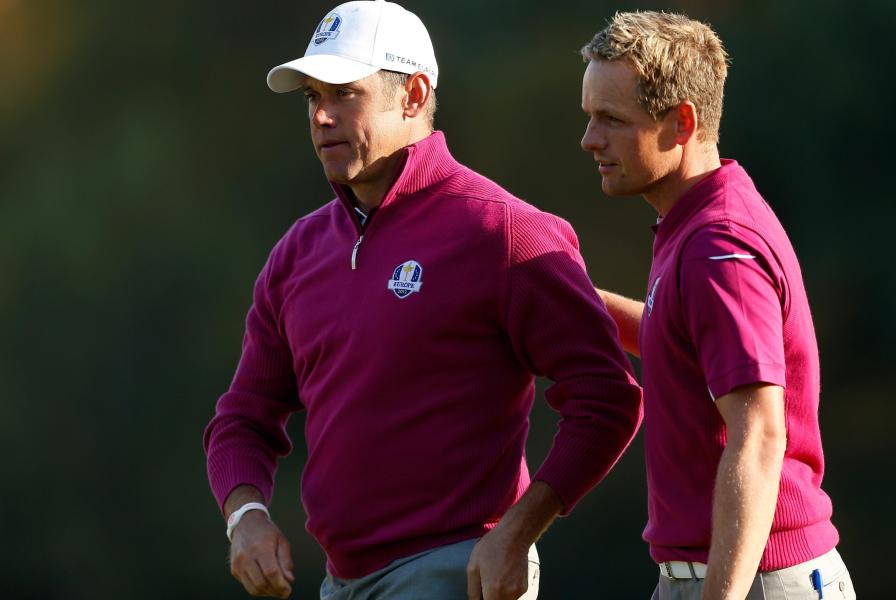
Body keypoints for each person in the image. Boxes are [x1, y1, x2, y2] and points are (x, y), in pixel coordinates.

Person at [203, 1, 643, 599]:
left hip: (457, 569)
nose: (323, 116)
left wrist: (519, 531)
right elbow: (242, 419)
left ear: (412, 94)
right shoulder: (298, 253)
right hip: (340, 581)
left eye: (344, 94)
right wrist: (245, 515)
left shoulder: (505, 231)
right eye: (312, 98)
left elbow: (606, 398)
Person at [578, 11, 855, 600]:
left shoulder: (717, 247)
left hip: (754, 579)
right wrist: (560, 294)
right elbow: (673, 336)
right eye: (589, 117)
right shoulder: (696, 223)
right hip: (724, 575)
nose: (590, 140)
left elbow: (757, 433)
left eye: (610, 119)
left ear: (682, 123)